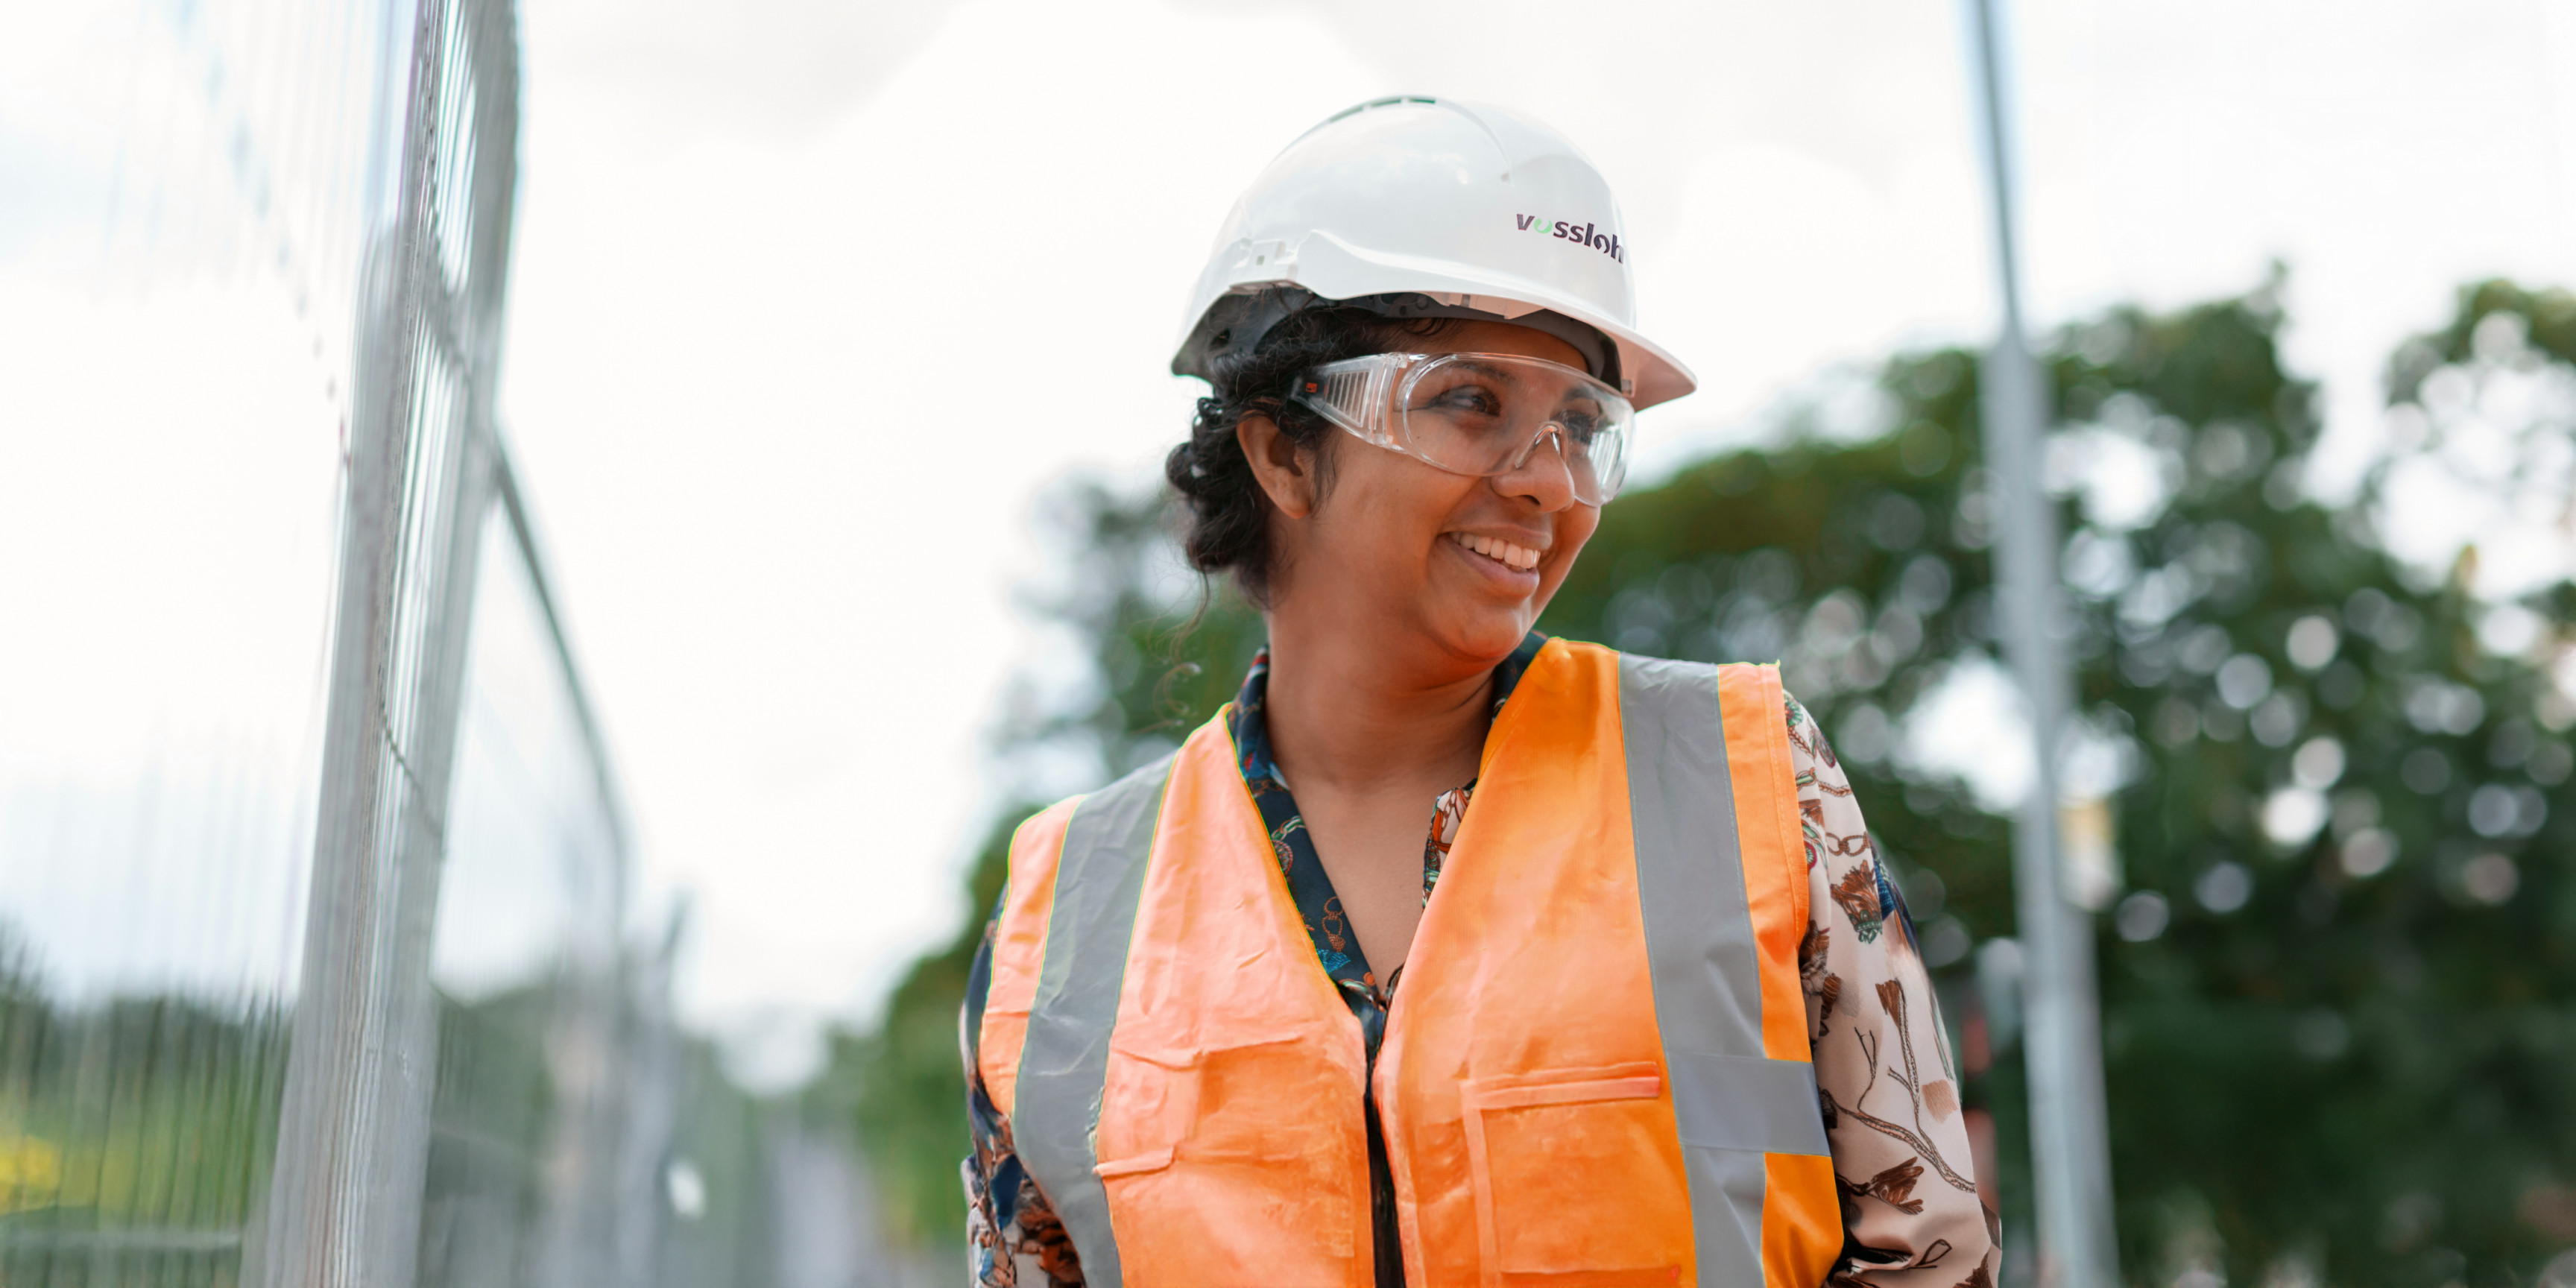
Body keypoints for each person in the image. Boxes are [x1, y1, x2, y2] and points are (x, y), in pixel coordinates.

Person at [959, 97, 1998, 1288]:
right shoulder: (1065, 920)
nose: (1550, 482)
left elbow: (1931, 1261)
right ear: (1284, 451)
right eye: (1470, 403)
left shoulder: (1746, 781)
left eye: (1580, 424)